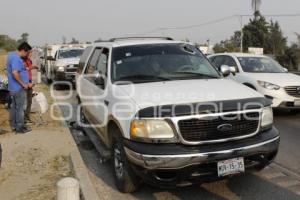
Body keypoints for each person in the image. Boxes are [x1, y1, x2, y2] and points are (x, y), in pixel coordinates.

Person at [6, 42, 32, 133]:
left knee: (14, 107)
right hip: (18, 88)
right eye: (28, 53)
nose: (28, 55)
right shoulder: (16, 58)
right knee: (20, 108)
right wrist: (24, 84)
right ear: (23, 51)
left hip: (13, 87)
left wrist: (26, 68)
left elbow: (18, 70)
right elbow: (14, 73)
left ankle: (14, 126)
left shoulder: (12, 55)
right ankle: (20, 127)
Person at [23, 50, 38, 123]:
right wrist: (27, 83)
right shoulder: (22, 61)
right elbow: (22, 72)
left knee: (29, 101)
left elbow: (28, 68)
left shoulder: (29, 61)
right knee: (23, 102)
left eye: (31, 53)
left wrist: (33, 67)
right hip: (24, 83)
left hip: (29, 83)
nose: (30, 54)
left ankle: (26, 117)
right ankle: (21, 119)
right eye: (29, 53)